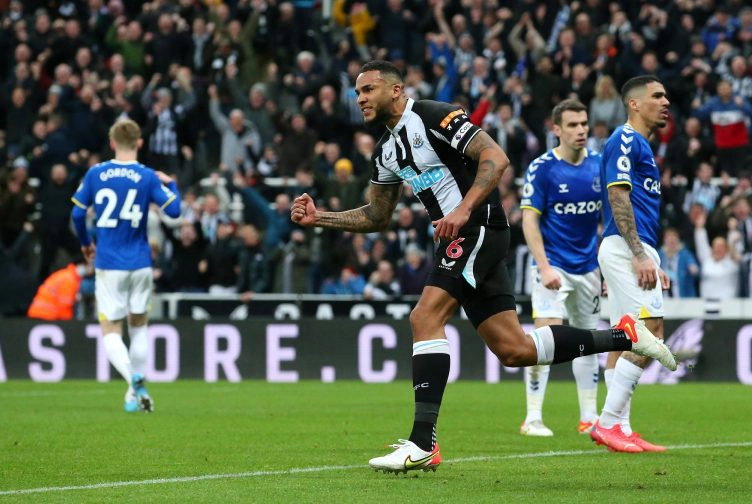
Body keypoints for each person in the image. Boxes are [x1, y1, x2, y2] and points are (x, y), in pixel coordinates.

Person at [290, 61, 676, 474]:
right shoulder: (386, 150)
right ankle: (625, 335)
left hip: (477, 227)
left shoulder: (434, 115)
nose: (360, 98)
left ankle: (423, 442)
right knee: (514, 349)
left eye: (368, 89)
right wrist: (320, 218)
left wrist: (463, 208)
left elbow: (495, 156)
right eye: (357, 92)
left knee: (424, 317)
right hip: (460, 237)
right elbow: (377, 215)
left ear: (396, 89)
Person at [71, 119, 181, 413]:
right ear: (139, 143)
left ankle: (132, 380)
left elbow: (77, 214)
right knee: (139, 326)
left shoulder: (96, 173)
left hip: (109, 262)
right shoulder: (147, 176)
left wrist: (85, 243)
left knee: (110, 329)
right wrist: (172, 184)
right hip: (140, 262)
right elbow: (174, 211)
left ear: (112, 143)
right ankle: (134, 394)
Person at [592, 75, 673, 453]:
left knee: (626, 337)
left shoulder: (641, 146)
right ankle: (608, 422)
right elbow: (618, 197)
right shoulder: (625, 139)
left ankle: (620, 427)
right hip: (626, 249)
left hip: (634, 248)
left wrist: (651, 256)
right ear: (634, 103)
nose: (665, 102)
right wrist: (640, 255)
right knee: (650, 331)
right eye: (657, 96)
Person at [518, 99, 602, 437]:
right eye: (572, 125)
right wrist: (544, 267)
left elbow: (607, 219)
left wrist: (605, 266)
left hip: (589, 268)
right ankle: (532, 418)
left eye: (584, 123)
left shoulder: (599, 165)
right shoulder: (543, 168)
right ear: (557, 130)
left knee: (588, 340)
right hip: (552, 266)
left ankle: (589, 418)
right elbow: (529, 220)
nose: (581, 130)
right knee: (546, 339)